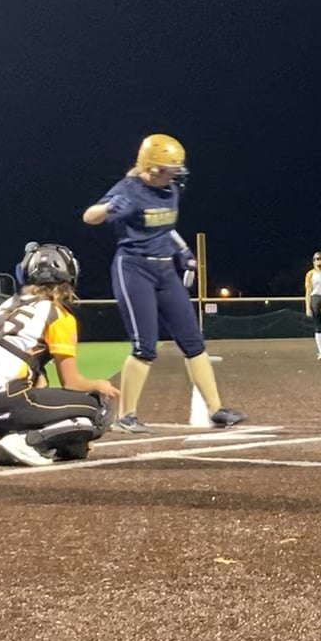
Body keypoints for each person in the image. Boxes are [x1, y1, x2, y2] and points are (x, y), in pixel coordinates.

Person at [81, 133, 244, 433]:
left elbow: (165, 227)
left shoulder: (171, 190)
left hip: (166, 270)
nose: (176, 175)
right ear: (152, 168)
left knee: (193, 343)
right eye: (171, 169)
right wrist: (109, 208)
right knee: (145, 346)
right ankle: (126, 415)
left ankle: (216, 409)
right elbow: (89, 216)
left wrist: (181, 250)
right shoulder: (129, 188)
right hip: (134, 268)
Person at [0, 243, 119, 466]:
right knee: (98, 409)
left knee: (37, 391)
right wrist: (100, 385)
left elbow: (34, 370)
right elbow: (72, 383)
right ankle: (28, 441)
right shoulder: (58, 314)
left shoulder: (6, 306)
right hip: (8, 400)